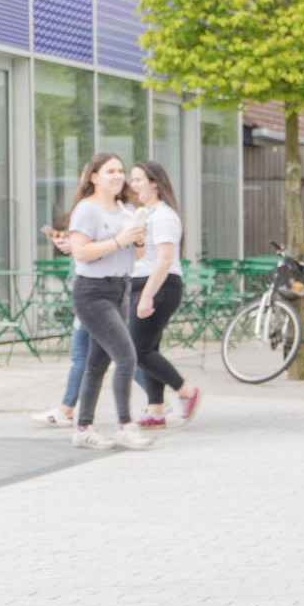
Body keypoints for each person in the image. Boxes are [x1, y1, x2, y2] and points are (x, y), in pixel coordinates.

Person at [66, 153, 153, 450]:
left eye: (120, 171)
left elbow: (137, 255)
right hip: (92, 291)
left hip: (120, 288)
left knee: (96, 363)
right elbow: (81, 252)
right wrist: (119, 240)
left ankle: (83, 428)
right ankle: (125, 426)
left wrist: (137, 240)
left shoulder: (125, 209)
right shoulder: (86, 210)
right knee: (126, 356)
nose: (118, 176)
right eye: (110, 171)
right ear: (94, 177)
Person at [128, 161, 202, 429]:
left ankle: (186, 391)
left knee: (137, 350)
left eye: (138, 179)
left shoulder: (163, 216)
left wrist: (147, 296)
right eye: (133, 179)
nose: (133, 185)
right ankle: (156, 410)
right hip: (144, 283)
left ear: (154, 183)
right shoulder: (145, 214)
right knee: (148, 348)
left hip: (159, 285)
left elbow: (165, 259)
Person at [30, 228, 89, 428]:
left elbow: (95, 253)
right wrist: (69, 243)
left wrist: (74, 246)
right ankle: (66, 410)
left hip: (94, 296)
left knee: (123, 356)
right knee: (85, 356)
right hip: (92, 296)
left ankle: (161, 398)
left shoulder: (93, 215)